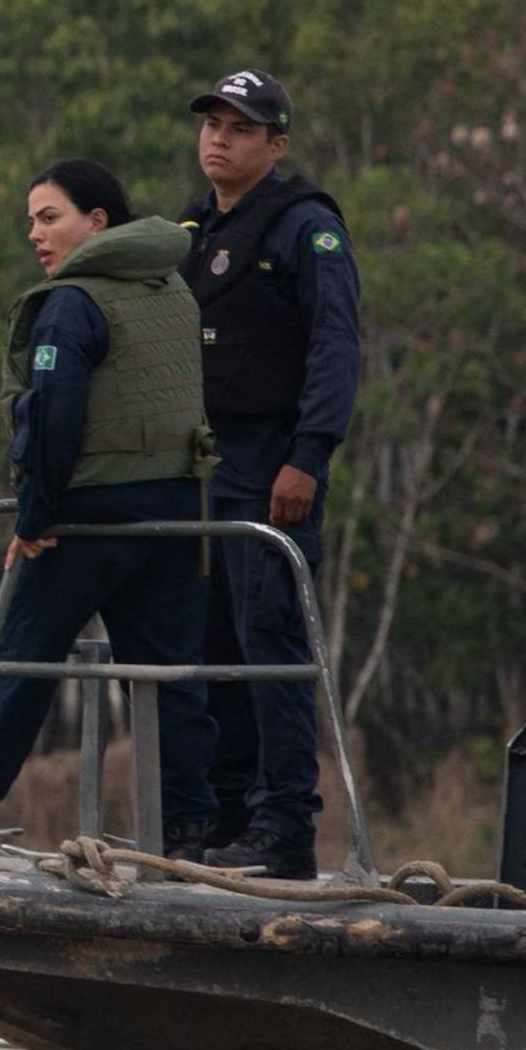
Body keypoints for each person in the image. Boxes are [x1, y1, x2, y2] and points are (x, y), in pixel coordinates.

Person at [0, 162, 221, 869]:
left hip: (89, 516)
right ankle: (188, 832)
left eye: (49, 216)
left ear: (97, 222)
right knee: (168, 678)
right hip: (179, 513)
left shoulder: (71, 303)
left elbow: (55, 417)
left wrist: (33, 518)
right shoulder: (173, 289)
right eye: (32, 220)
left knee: (20, 660)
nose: (35, 234)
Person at [174, 70, 362, 883]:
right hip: (200, 470)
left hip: (271, 465)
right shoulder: (187, 230)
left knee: (271, 645)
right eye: (211, 124)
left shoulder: (304, 227)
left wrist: (308, 456)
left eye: (240, 128)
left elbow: (335, 346)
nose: (219, 138)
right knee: (209, 647)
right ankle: (224, 818)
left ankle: (285, 826)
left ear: (275, 144)